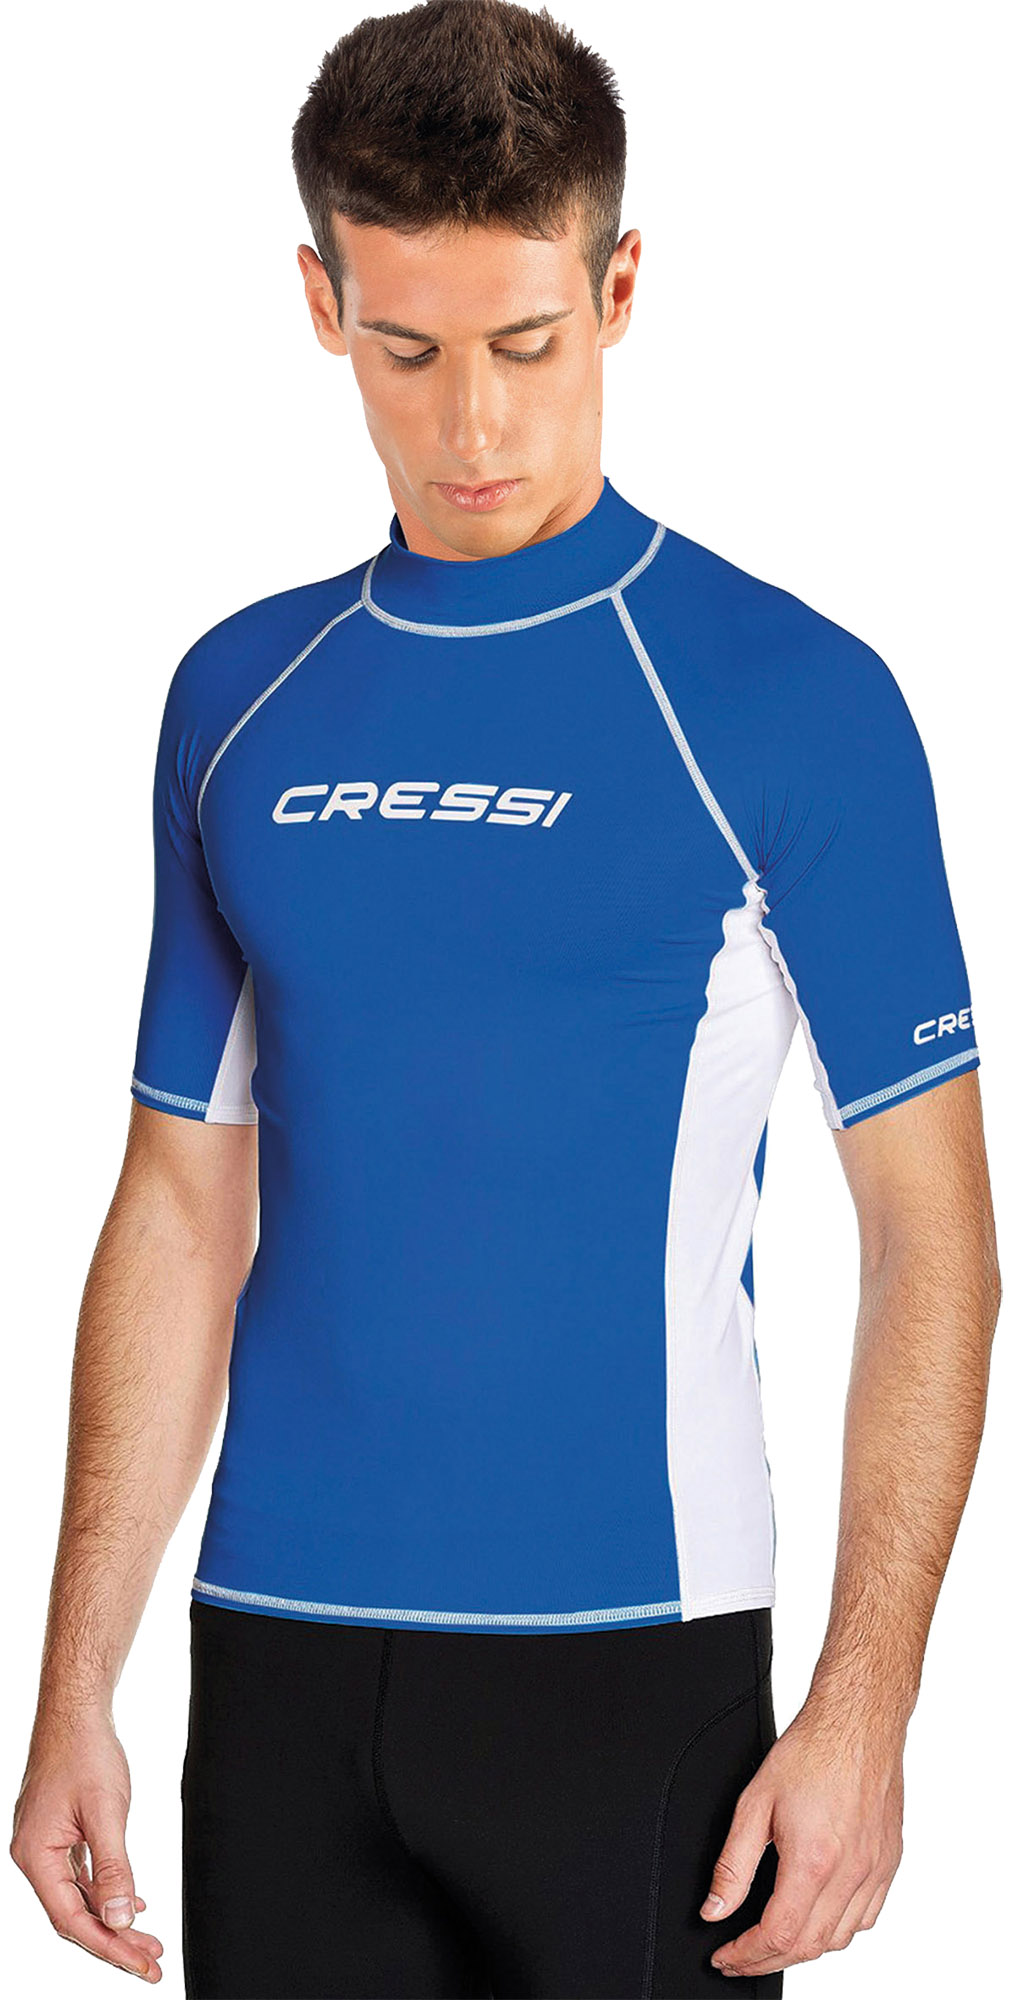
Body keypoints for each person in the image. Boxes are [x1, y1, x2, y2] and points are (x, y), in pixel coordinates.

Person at [9, 2, 1001, 1996]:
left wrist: (865, 1707)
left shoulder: (787, 699)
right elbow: (181, 1201)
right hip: (277, 1668)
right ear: (322, 303)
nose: (471, 427)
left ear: (617, 289)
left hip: (637, 1671)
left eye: (527, 347)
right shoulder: (239, 700)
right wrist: (71, 1679)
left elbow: (932, 1239)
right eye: (408, 351)